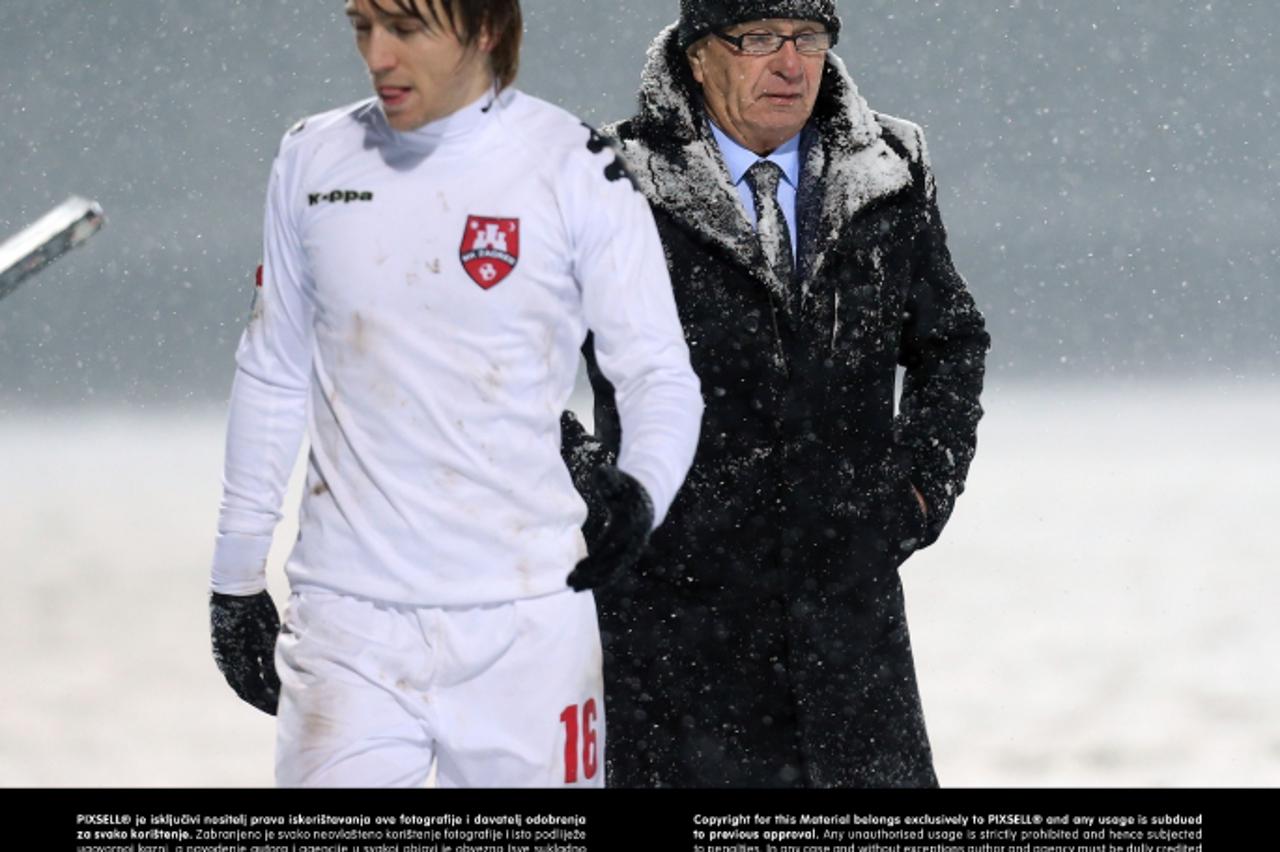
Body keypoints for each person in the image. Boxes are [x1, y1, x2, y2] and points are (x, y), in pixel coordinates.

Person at [207, 0, 702, 789]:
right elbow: (272, 368)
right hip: (349, 622)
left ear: (482, 31)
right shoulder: (312, 159)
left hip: (531, 620)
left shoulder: (575, 166)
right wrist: (235, 576)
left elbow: (657, 372)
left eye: (405, 29)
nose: (377, 55)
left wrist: (643, 492)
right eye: (362, 27)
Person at [562, 0, 989, 787]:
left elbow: (950, 342)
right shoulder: (606, 176)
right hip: (674, 630)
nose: (790, 64)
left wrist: (920, 491)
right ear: (697, 54)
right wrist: (603, 496)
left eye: (809, 38)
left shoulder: (891, 165)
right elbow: (511, 362)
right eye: (757, 39)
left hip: (847, 629)